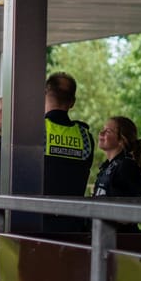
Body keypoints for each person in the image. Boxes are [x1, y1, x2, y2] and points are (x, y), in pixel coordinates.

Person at [42, 72, 95, 231]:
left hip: (36, 224)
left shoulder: (36, 131)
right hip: (73, 227)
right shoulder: (85, 137)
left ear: (44, 95)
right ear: (72, 102)